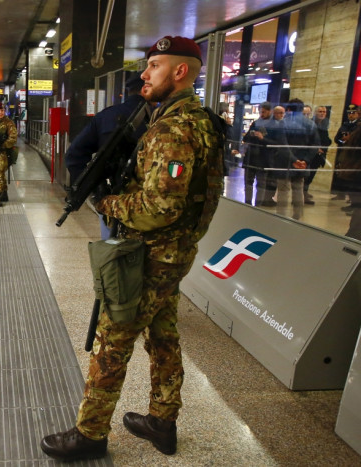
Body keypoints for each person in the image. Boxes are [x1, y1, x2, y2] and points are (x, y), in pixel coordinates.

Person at [40, 36, 225, 462]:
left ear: (180, 72)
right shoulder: (200, 120)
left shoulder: (174, 129)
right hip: (174, 253)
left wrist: (106, 202)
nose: (145, 73)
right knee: (163, 336)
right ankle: (162, 420)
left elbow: (159, 207)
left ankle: (90, 434)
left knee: (111, 342)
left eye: (155, 65)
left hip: (150, 255)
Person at [65, 75, 148, 239]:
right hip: (149, 207)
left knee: (111, 252)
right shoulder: (159, 118)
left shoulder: (106, 116)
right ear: (145, 89)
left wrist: (96, 189)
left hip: (113, 200)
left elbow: (74, 155)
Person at [273, 99, 318, 220]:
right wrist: (305, 161)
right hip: (303, 163)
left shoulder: (284, 123)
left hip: (285, 162)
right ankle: (297, 217)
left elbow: (283, 144)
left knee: (283, 190)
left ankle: (281, 217)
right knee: (298, 189)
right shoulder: (311, 124)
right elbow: (315, 145)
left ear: (288, 109)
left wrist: (293, 160)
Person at [241, 101, 274, 206]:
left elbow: (276, 143)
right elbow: (246, 138)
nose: (262, 114)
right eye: (261, 112)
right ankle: (247, 203)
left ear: (270, 111)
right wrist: (252, 135)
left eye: (264, 112)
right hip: (251, 157)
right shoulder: (256, 123)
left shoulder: (274, 125)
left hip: (263, 159)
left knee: (261, 184)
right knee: (248, 182)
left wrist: (263, 138)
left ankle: (258, 205)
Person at [333, 104, 361, 204]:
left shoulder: (357, 126)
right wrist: (343, 142)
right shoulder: (345, 125)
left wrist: (349, 141)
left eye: (353, 113)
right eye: (349, 113)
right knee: (341, 174)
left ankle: (352, 199)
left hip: (354, 155)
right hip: (344, 153)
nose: (351, 115)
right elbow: (337, 139)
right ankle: (341, 193)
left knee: (352, 177)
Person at [305, 106, 332, 203]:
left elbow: (325, 139)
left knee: (312, 175)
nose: (322, 113)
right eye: (320, 111)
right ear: (315, 113)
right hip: (311, 155)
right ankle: (303, 194)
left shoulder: (324, 125)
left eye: (324, 112)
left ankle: (305, 192)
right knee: (308, 175)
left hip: (319, 156)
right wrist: (315, 148)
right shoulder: (311, 124)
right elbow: (307, 139)